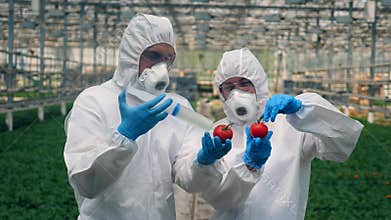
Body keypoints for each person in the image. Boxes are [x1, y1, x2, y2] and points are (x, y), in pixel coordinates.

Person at [63, 14, 261, 220]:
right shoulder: (94, 101)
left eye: (168, 59)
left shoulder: (177, 107)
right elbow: (86, 183)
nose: (162, 67)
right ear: (131, 54)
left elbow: (189, 181)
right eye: (154, 56)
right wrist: (124, 137)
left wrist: (203, 161)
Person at [200, 48, 364, 220]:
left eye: (244, 83)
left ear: (258, 83)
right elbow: (215, 197)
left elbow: (343, 141)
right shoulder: (217, 133)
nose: (237, 92)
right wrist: (245, 166)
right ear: (221, 92)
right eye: (229, 87)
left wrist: (304, 111)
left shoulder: (290, 124)